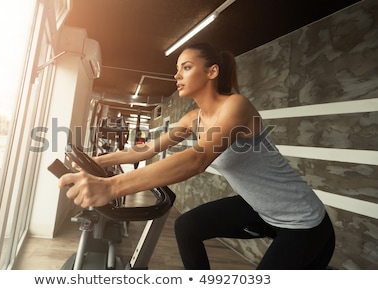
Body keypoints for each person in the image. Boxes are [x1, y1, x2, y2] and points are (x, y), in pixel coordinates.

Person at [58, 42, 335, 270]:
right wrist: (98, 162)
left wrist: (111, 186)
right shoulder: (193, 118)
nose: (177, 76)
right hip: (261, 208)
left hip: (303, 222)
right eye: (176, 70)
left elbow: (197, 159)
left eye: (186, 68)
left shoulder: (236, 106)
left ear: (212, 71)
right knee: (187, 227)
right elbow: (148, 149)